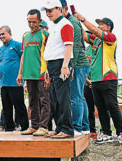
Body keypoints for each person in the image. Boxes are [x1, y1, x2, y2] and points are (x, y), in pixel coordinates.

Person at [74, 12, 122, 144]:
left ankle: (121, 131)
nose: (99, 26)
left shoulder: (111, 38)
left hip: (108, 77)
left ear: (108, 27)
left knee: (112, 105)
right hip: (95, 79)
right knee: (100, 107)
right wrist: (75, 20)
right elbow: (85, 35)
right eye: (98, 24)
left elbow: (94, 30)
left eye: (101, 24)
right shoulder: (96, 40)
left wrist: (83, 18)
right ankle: (107, 133)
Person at [41, 0, 74, 139]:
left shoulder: (65, 24)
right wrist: (48, 69)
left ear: (59, 9)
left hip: (62, 63)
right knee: (54, 98)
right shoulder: (54, 25)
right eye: (46, 11)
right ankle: (59, 127)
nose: (48, 13)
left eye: (50, 10)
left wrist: (65, 66)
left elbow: (68, 46)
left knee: (63, 97)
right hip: (53, 64)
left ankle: (67, 129)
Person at [17, 9, 50, 136]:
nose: (31, 24)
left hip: (41, 73)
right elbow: (23, 55)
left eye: (34, 22)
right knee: (32, 101)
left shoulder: (45, 35)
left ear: (40, 21)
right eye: (29, 21)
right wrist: (20, 73)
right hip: (28, 74)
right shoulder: (25, 35)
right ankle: (34, 126)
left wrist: (47, 71)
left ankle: (44, 126)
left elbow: (49, 54)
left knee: (44, 100)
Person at [60, 0, 91, 137]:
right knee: (80, 97)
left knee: (76, 97)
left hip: (79, 64)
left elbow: (76, 47)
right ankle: (85, 127)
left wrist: (71, 67)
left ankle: (77, 127)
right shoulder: (67, 22)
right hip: (79, 63)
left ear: (65, 9)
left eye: (57, 9)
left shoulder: (72, 23)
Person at [0, 25, 29, 132]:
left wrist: (22, 77)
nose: (1, 36)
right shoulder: (0, 49)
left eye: (3, 34)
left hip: (15, 82)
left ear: (10, 34)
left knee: (19, 106)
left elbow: (24, 60)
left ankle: (25, 127)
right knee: (6, 107)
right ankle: (9, 128)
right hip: (4, 83)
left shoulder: (17, 46)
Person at [83, 44, 97, 139]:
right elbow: (83, 66)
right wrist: (87, 80)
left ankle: (105, 131)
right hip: (88, 84)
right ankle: (92, 130)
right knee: (89, 108)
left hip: (98, 81)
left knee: (103, 107)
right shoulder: (86, 50)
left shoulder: (101, 47)